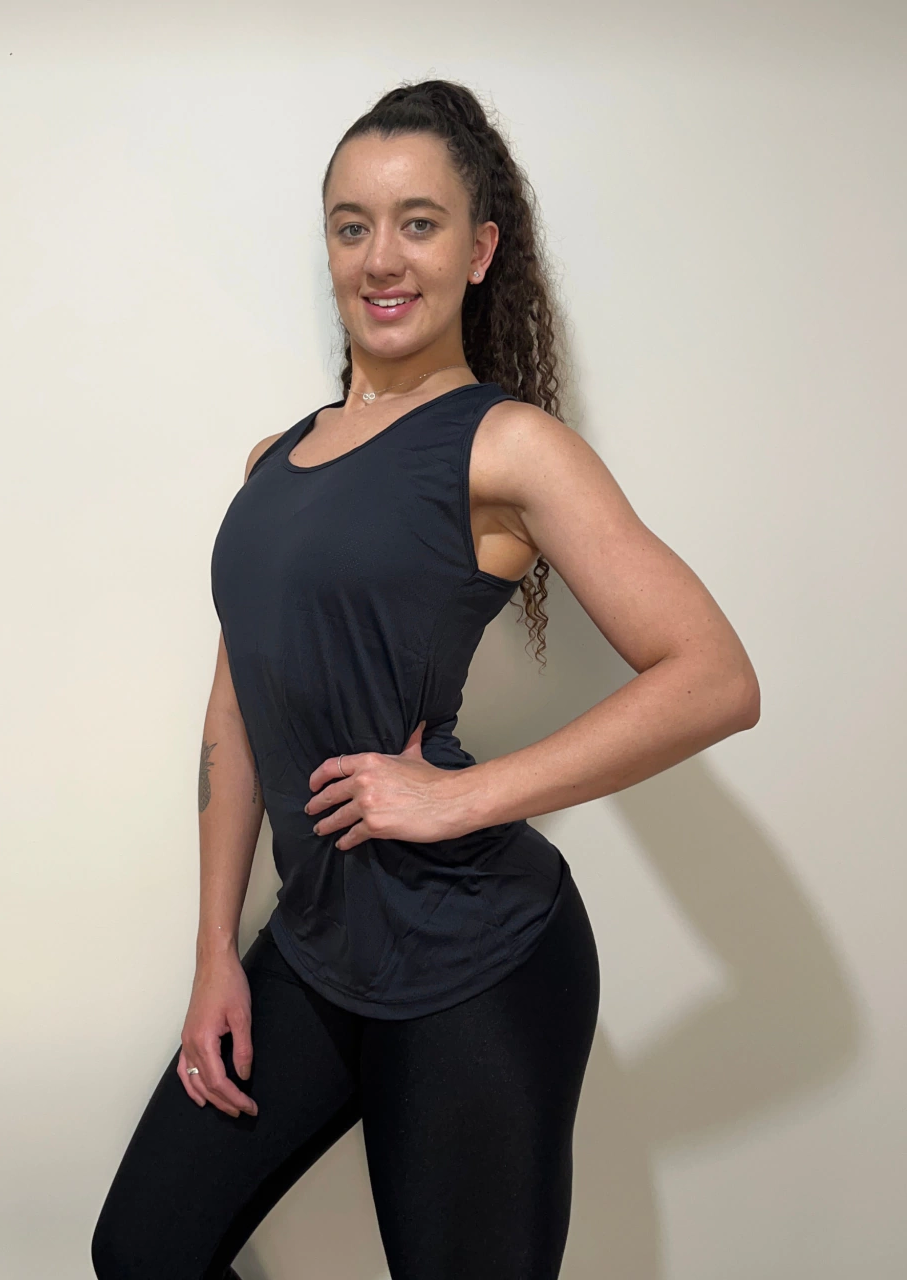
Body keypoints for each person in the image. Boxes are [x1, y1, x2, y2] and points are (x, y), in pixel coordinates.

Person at [91, 79, 760, 1280]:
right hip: (315, 946)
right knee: (143, 1250)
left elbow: (713, 674)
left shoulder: (508, 445)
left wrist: (460, 794)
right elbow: (236, 708)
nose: (381, 257)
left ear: (478, 250)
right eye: (352, 225)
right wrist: (214, 951)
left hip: (477, 960)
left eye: (418, 222)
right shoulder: (272, 461)